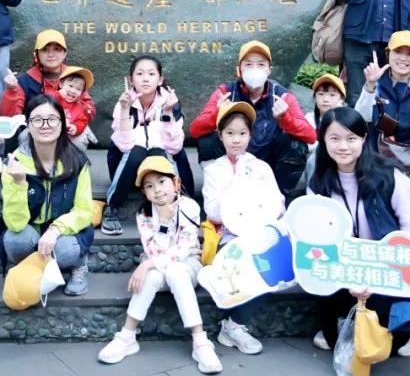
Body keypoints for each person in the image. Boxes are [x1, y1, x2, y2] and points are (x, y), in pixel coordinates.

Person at [306, 106, 410, 357]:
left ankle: (395, 328)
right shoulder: (318, 183)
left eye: (351, 138)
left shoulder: (390, 178)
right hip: (342, 269)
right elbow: (316, 239)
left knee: (386, 346)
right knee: (335, 340)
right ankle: (343, 324)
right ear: (323, 140)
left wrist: (374, 275)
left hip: (387, 269)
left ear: (363, 139)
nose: (343, 146)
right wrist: (348, 276)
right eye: (334, 138)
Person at [97, 155, 222, 374]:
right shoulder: (144, 214)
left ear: (176, 183)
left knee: (174, 272)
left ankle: (200, 341)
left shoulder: (189, 206)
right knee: (153, 275)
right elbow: (154, 251)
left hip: (187, 266)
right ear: (144, 192)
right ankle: (127, 336)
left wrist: (146, 265)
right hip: (159, 267)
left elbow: (184, 249)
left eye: (162, 181)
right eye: (149, 186)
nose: (157, 190)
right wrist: (163, 223)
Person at [200, 102, 284, 356]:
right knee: (246, 266)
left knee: (274, 270)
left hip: (259, 234)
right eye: (230, 133)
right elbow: (212, 212)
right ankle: (235, 325)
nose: (236, 140)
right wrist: (236, 188)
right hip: (228, 238)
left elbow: (277, 204)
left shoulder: (261, 167)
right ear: (220, 135)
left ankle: (234, 325)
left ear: (250, 135)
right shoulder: (214, 170)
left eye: (242, 133)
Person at [190, 40, 315, 197]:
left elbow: (310, 136)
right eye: (248, 64)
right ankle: (220, 192)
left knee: (296, 145)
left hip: (269, 162)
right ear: (239, 70)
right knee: (207, 141)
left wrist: (285, 118)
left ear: (269, 70)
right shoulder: (226, 93)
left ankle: (280, 196)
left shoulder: (282, 96)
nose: (255, 69)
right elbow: (195, 130)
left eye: (261, 64)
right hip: (234, 158)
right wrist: (217, 113)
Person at [0, 94, 94, 297]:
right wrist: (19, 183)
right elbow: (15, 223)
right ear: (28, 125)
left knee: (66, 250)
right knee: (15, 240)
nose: (45, 125)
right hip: (30, 231)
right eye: (37, 119)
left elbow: (84, 211)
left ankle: (78, 264)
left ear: (62, 123)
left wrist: (55, 230)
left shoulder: (78, 162)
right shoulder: (14, 163)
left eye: (52, 119)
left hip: (63, 234)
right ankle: (27, 266)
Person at [354, 30, 410, 207]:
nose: (404, 58)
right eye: (398, 51)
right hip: (380, 159)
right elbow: (361, 118)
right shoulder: (377, 81)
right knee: (374, 199)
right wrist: (370, 85)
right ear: (387, 53)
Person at [101, 55, 191, 236]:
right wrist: (125, 108)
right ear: (130, 79)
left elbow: (174, 146)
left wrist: (167, 112)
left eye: (151, 74)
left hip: (159, 163)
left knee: (159, 152)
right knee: (136, 152)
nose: (145, 79)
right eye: (139, 74)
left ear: (160, 79)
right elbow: (124, 145)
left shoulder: (170, 102)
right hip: (128, 165)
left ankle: (177, 204)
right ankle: (112, 207)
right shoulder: (124, 102)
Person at [301, 73, 348, 187]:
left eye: (332, 95)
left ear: (341, 99)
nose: (325, 99)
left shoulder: (347, 119)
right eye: (321, 94)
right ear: (315, 98)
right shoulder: (309, 119)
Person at [57, 65, 97, 150]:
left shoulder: (79, 107)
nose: (73, 91)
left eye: (78, 89)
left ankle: (74, 157)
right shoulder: (52, 97)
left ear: (82, 93)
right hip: (49, 132)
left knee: (78, 143)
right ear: (61, 84)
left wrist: (75, 128)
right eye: (70, 86)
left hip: (67, 135)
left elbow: (82, 122)